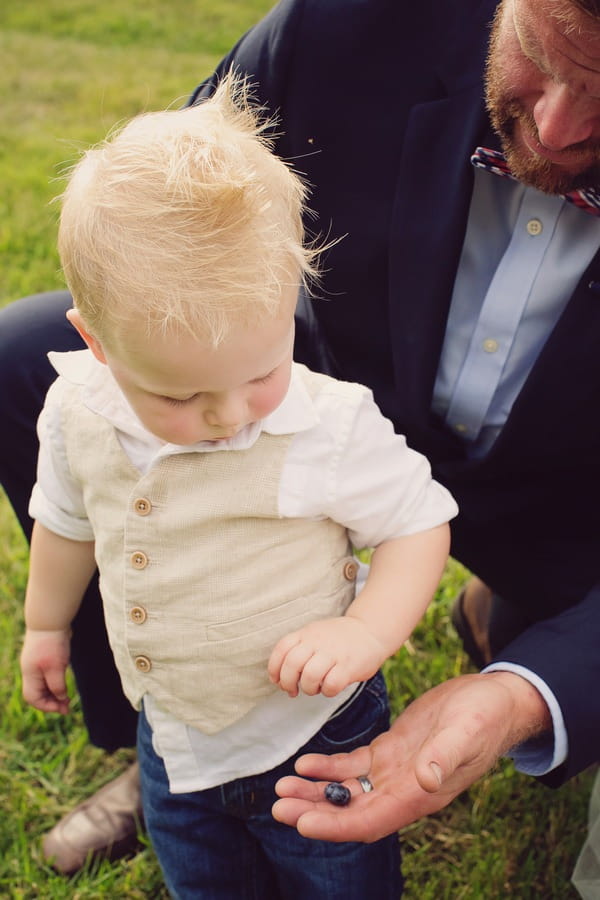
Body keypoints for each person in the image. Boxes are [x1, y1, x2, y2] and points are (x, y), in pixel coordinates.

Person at [2, 0, 600, 877]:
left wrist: (526, 692)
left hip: (570, 505)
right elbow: (165, 202)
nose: (555, 126)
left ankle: (522, 622)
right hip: (338, 399)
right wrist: (44, 625)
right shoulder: (354, 21)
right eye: (539, 56)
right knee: (24, 359)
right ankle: (164, 740)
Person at [18, 73, 456, 897]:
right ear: (96, 341)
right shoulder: (77, 410)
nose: (227, 415)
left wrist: (364, 635)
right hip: (175, 738)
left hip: (318, 738)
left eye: (261, 371)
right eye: (178, 396)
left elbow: (417, 523)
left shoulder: (321, 426)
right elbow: (66, 518)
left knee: (340, 881)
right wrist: (46, 626)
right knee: (202, 879)